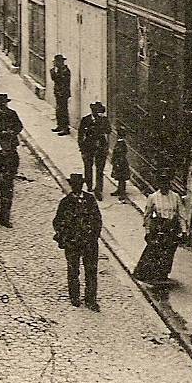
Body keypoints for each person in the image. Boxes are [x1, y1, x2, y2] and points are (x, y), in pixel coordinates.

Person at [53, 172, 103, 310]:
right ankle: (74, 297)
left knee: (91, 272)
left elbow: (98, 220)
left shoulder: (90, 199)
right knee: (73, 271)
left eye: (79, 185)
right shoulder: (65, 202)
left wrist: (94, 237)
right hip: (73, 244)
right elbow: (57, 222)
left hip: (89, 244)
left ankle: (91, 300)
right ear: (71, 186)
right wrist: (66, 237)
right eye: (74, 185)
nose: (77, 187)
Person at [132, 171, 188, 286]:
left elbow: (181, 214)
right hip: (158, 226)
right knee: (155, 251)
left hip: (171, 227)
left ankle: (163, 275)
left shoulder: (175, 197)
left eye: (166, 183)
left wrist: (183, 231)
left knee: (168, 252)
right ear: (158, 184)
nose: (164, 186)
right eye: (162, 184)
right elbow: (147, 215)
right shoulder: (153, 197)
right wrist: (148, 231)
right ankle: (150, 274)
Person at [77, 101, 111, 199]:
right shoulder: (85, 120)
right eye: (97, 112)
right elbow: (80, 135)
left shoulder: (104, 120)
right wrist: (82, 149)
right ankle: (89, 185)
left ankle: (98, 190)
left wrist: (102, 126)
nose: (99, 114)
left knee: (100, 170)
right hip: (88, 147)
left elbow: (108, 130)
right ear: (93, 112)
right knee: (88, 167)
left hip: (100, 146)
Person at [50, 55, 72, 136]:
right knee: (58, 110)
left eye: (56, 61)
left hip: (63, 93)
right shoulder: (57, 70)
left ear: (60, 62)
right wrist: (54, 70)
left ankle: (65, 128)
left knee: (63, 110)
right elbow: (53, 78)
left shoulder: (65, 70)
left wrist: (55, 72)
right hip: (58, 93)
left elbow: (62, 81)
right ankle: (60, 125)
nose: (54, 63)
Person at [110, 125, 130, 200]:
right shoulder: (120, 143)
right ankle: (119, 190)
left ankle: (122, 192)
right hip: (119, 162)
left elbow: (120, 154)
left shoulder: (121, 143)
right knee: (120, 177)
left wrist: (118, 163)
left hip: (120, 163)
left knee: (121, 178)